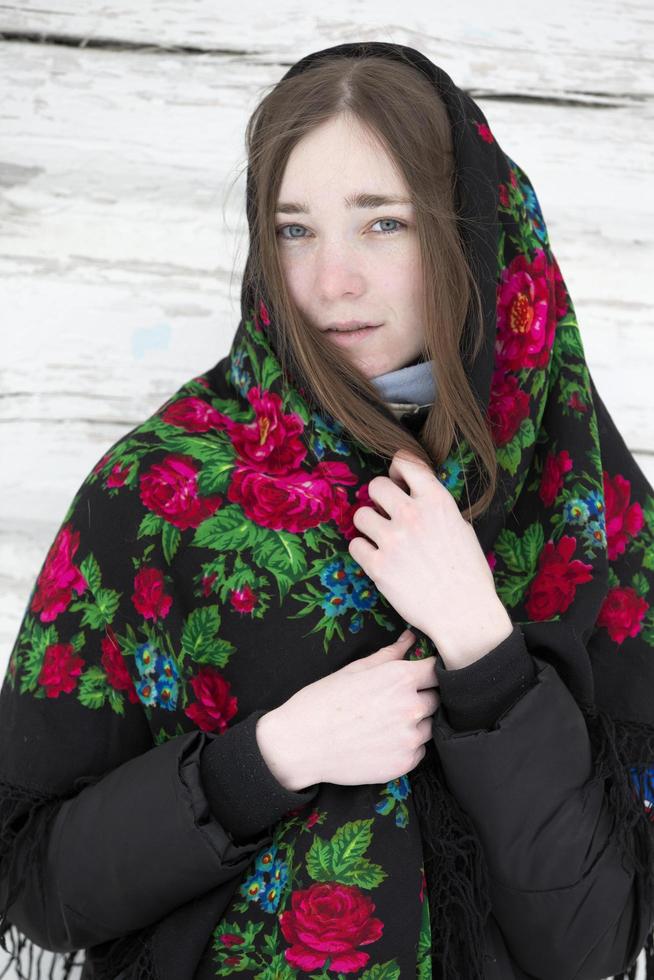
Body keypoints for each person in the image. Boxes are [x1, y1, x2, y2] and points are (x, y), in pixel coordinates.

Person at [1, 39, 654, 980]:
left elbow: (591, 945)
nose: (330, 282)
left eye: (382, 224)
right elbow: (35, 882)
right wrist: (265, 760)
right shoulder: (159, 494)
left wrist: (484, 649)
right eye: (294, 229)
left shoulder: (577, 497)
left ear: (470, 230)